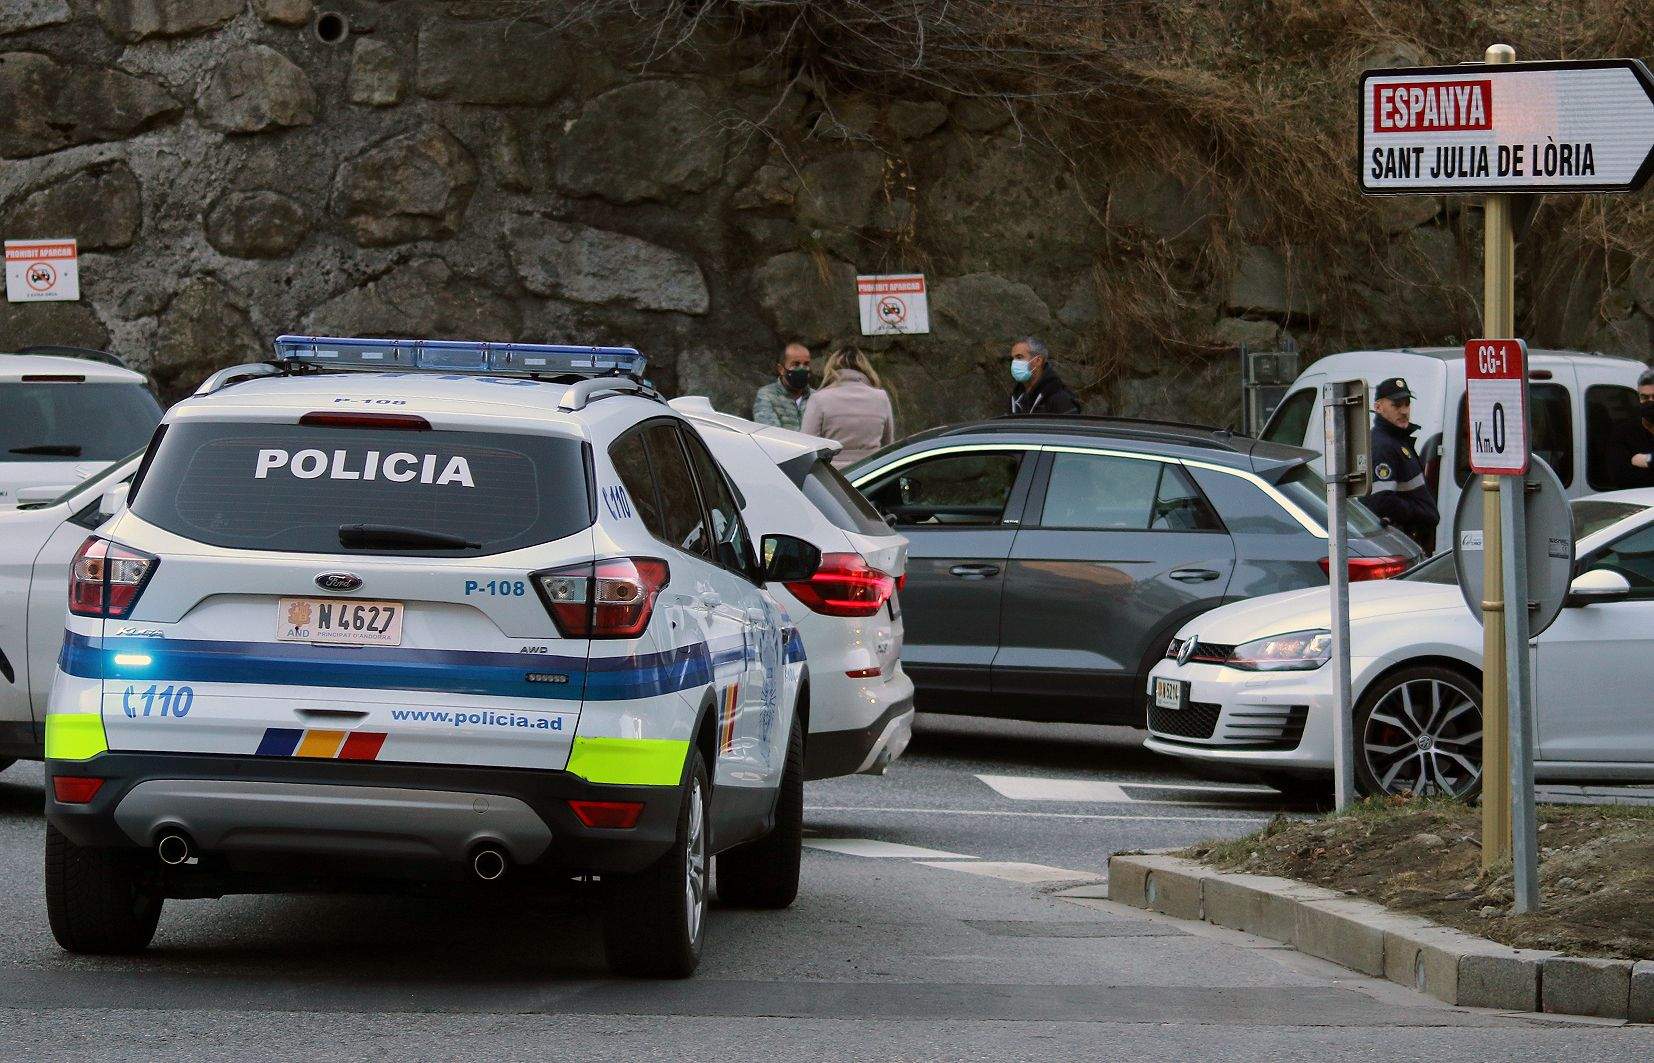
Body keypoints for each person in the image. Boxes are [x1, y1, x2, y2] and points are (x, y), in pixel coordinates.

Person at [1365, 376, 1439, 551]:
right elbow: (1381, 501)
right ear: (1378, 407)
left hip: (1412, 540)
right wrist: (1421, 512)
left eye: (1407, 404)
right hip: (1403, 541)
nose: (1404, 411)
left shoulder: (1398, 440)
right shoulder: (1383, 446)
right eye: (1396, 405)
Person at [801, 346, 895, 467]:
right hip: (871, 472)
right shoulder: (881, 397)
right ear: (865, 369)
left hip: (831, 476)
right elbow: (888, 444)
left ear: (831, 369)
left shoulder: (819, 399)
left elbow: (807, 445)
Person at [1604, 369, 1654, 489]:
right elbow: (1621, 477)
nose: (1650, 402)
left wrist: (1648, 460)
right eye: (1645, 398)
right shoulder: (1623, 433)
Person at [1008, 337, 1081, 415]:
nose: (1014, 363)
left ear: (1038, 361)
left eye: (1019, 357)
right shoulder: (1016, 397)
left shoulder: (1060, 398)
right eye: (1012, 359)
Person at [752, 342, 814, 430]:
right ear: (781, 369)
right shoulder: (767, 395)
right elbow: (770, 434)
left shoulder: (816, 398)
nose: (802, 369)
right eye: (796, 364)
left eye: (806, 364)